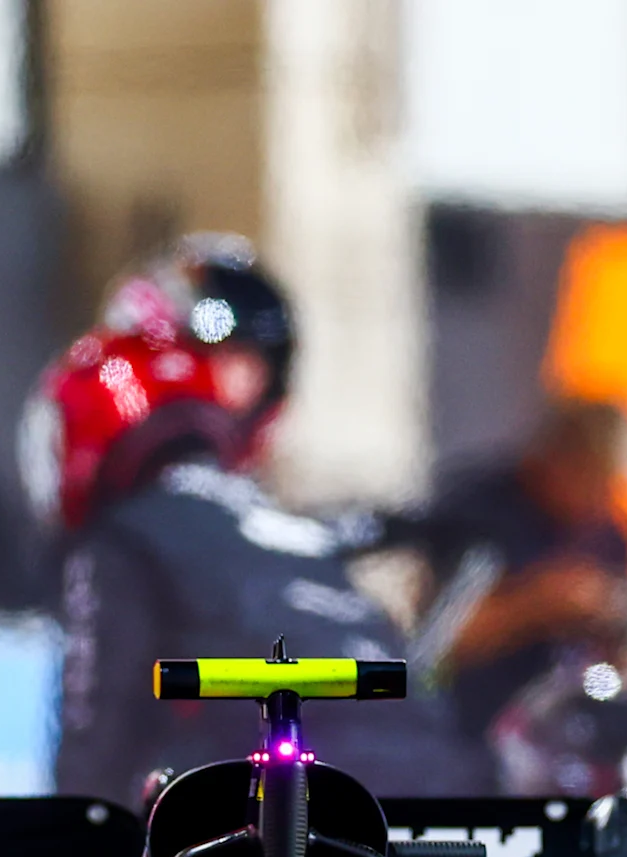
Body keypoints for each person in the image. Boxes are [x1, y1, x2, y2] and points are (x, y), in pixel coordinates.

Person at [29, 238, 476, 807]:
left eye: (248, 367)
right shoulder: (290, 531)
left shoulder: (121, 540)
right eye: (222, 364)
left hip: (274, 826)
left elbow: (92, 766)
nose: (236, 388)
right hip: (434, 806)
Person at [399, 401, 627, 744]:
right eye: (594, 484)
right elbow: (436, 642)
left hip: (553, 737)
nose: (600, 503)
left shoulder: (607, 536)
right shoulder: (481, 510)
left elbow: (622, 660)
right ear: (562, 461)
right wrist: (537, 602)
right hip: (453, 727)